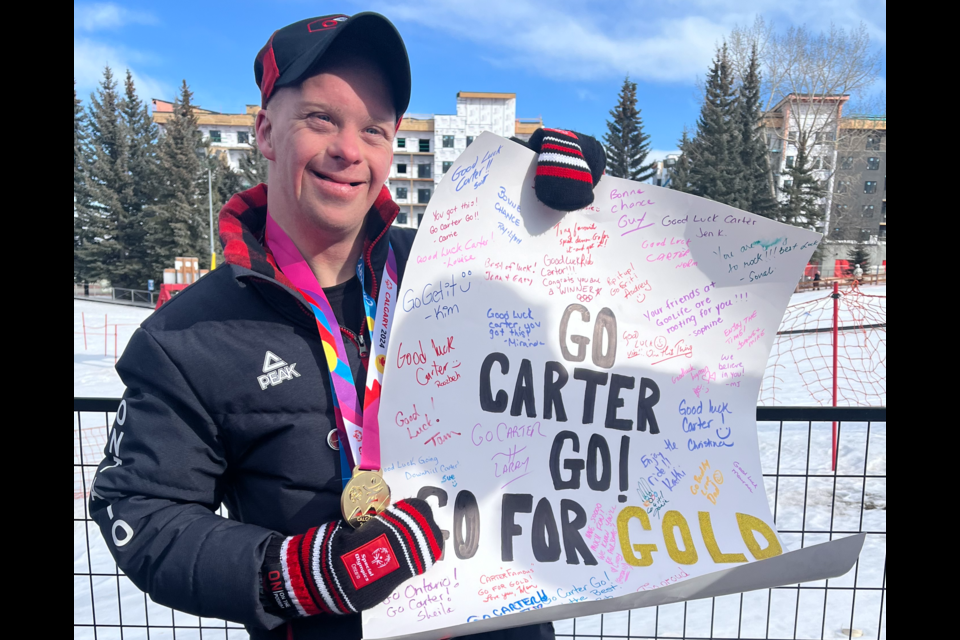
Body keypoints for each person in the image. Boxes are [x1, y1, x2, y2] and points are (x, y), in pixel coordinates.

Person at [89, 12, 603, 640]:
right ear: (266, 132)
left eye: (374, 130)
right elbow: (142, 511)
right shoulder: (184, 337)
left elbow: (589, 309)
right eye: (321, 119)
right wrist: (292, 574)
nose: (348, 150)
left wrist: (551, 200)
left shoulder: (454, 266)